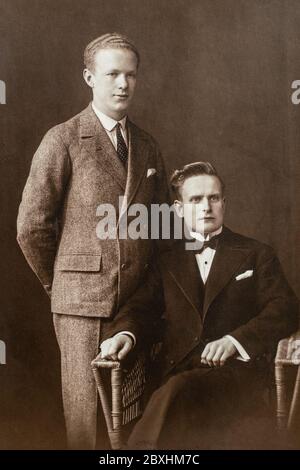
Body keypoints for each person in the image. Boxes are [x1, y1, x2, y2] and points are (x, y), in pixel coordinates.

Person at [16, 33, 169, 449]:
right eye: (112, 74)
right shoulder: (62, 139)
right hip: (83, 305)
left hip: (136, 304)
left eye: (131, 75)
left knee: (132, 423)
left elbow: (160, 225)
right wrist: (60, 284)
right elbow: (32, 227)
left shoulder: (147, 145)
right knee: (88, 424)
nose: (123, 84)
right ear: (89, 77)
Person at [121, 161, 299, 449]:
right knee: (176, 396)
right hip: (175, 375)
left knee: (178, 395)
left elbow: (286, 308)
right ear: (179, 209)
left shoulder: (256, 254)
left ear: (224, 203)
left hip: (235, 379)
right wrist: (123, 334)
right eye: (196, 199)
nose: (206, 207)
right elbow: (139, 308)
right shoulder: (166, 261)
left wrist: (234, 340)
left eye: (213, 198)